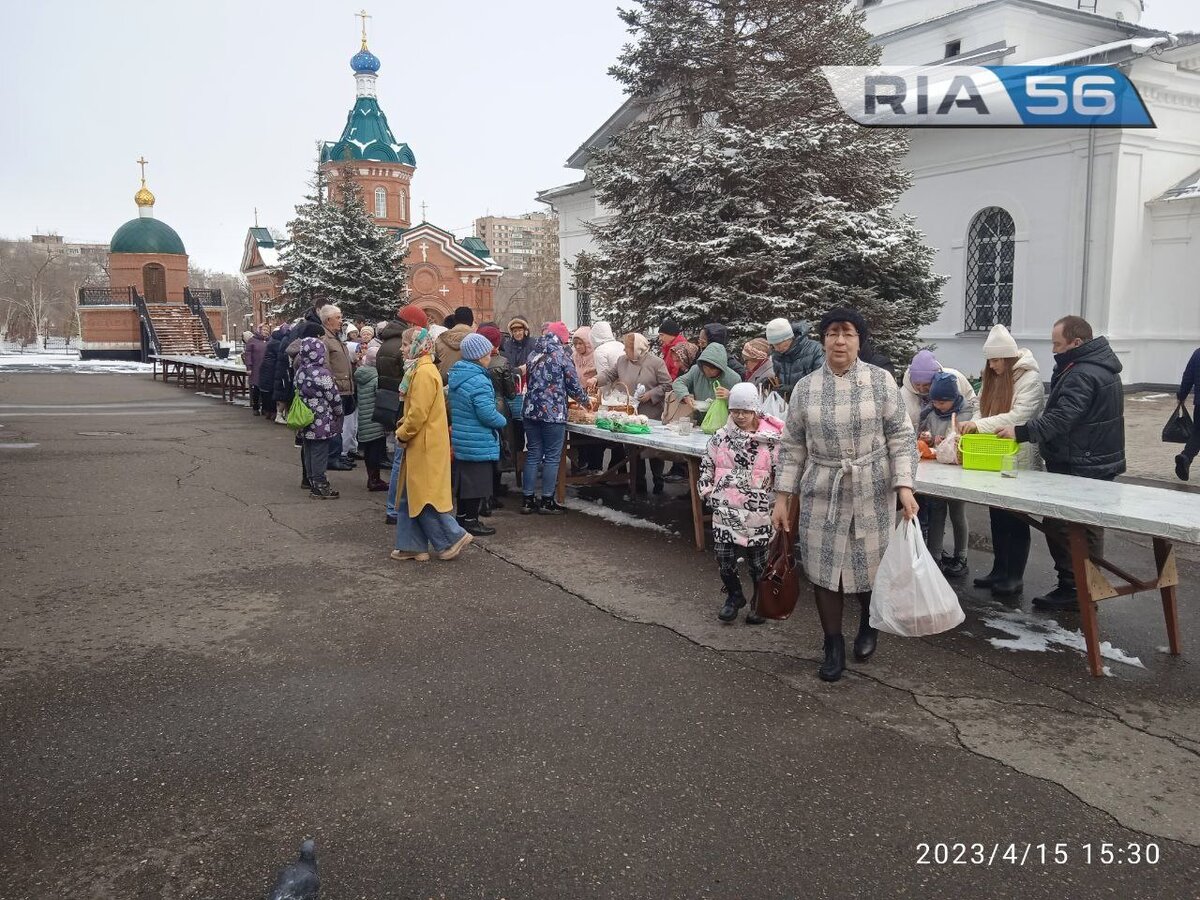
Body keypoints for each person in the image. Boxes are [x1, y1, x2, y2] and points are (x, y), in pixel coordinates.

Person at [772, 307, 919, 683]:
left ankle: (869, 626)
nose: (840, 340)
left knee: (869, 567)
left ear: (859, 340)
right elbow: (791, 445)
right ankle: (832, 643)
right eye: (833, 333)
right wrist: (782, 498)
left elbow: (901, 436)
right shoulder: (806, 388)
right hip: (823, 488)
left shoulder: (881, 381)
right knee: (825, 571)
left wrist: (904, 487)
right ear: (823, 340)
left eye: (848, 333)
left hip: (872, 487)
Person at [996, 316, 1125, 611]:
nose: (1053, 350)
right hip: (1089, 458)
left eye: (1057, 343)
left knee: (1073, 526)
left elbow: (1064, 416)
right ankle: (1080, 586)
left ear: (1076, 342)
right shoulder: (1091, 366)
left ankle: (1078, 589)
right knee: (1077, 524)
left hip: (1083, 461)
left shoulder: (1082, 372)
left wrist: (1022, 432)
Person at [958, 324, 1046, 597]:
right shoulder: (993, 376)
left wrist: (978, 426)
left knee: (1016, 517)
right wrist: (972, 423)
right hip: (994, 454)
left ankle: (1014, 576)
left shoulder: (1029, 379)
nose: (993, 366)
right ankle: (999, 569)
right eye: (990, 361)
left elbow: (1019, 416)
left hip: (1019, 457)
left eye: (996, 360)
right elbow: (980, 408)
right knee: (997, 514)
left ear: (1007, 358)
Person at [698, 383, 785, 625]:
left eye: (746, 411)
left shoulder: (772, 442)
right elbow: (707, 465)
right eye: (735, 410)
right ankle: (734, 595)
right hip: (725, 509)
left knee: (759, 563)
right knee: (724, 559)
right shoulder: (720, 438)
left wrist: (776, 502)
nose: (740, 416)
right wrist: (707, 492)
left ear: (755, 410)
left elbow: (783, 475)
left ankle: (759, 601)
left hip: (759, 512)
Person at [391, 327, 473, 562]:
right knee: (411, 494)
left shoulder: (424, 372)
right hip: (422, 443)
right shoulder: (420, 369)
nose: (402, 349)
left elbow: (419, 413)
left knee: (423, 497)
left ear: (418, 346)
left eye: (406, 345)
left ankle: (451, 537)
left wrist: (404, 432)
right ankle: (411, 545)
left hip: (424, 445)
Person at [521, 322, 590, 515]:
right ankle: (547, 500)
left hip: (530, 410)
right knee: (552, 457)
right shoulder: (562, 356)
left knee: (533, 453)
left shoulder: (533, 354)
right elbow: (574, 386)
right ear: (562, 338)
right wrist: (585, 401)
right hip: (553, 413)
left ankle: (527, 500)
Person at [593, 332, 673, 492]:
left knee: (653, 451)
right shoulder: (622, 360)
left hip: (651, 412)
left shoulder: (656, 363)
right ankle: (638, 483)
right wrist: (596, 379)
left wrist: (651, 394)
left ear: (638, 349)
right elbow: (610, 374)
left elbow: (668, 385)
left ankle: (658, 481)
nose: (624, 350)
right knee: (633, 450)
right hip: (629, 411)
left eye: (628, 347)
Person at [449, 333, 509, 536]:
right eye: (487, 353)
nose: (490, 356)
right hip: (478, 439)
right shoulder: (479, 380)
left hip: (462, 437)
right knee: (477, 484)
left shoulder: (459, 374)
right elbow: (486, 414)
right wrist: (502, 421)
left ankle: (461, 518)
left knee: (465, 483)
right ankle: (472, 521)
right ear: (479, 355)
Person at [919, 372, 976, 578]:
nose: (938, 406)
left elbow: (965, 438)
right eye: (935, 401)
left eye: (943, 402)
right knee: (936, 511)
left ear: (953, 399)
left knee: (957, 512)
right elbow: (926, 436)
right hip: (937, 470)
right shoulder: (931, 414)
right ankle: (934, 556)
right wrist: (928, 437)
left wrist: (953, 439)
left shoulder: (965, 414)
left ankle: (961, 556)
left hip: (958, 471)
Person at [294, 338, 344, 500]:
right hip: (321, 417)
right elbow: (333, 396)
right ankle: (320, 485)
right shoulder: (322, 373)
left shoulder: (300, 370)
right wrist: (338, 412)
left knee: (308, 448)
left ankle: (311, 481)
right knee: (320, 451)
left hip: (305, 415)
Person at [478, 324, 517, 507]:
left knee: (485, 449)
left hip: (479, 408)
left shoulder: (472, 361)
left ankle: (484, 495)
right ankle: (493, 492)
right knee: (501, 446)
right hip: (499, 407)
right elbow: (511, 393)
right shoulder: (502, 362)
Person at [316, 304, 356, 471]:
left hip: (345, 387)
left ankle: (338, 455)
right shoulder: (325, 340)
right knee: (334, 425)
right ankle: (333, 457)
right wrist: (331, 387)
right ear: (328, 320)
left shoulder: (336, 338)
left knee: (339, 425)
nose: (341, 321)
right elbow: (325, 366)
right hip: (336, 389)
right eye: (338, 317)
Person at [901, 349, 976, 430]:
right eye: (917, 384)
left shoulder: (955, 378)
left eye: (926, 384)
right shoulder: (903, 395)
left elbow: (974, 403)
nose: (921, 389)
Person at [354, 344, 389, 492]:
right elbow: (381, 398)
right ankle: (374, 479)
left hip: (364, 418)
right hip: (375, 420)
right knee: (376, 450)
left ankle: (372, 477)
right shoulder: (376, 378)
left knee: (368, 450)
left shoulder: (361, 374)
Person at [671, 343, 742, 410]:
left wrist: (730, 396)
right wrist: (685, 396)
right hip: (698, 415)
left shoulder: (734, 379)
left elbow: (741, 403)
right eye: (705, 367)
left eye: (712, 369)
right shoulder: (696, 370)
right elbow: (679, 382)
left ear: (720, 367)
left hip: (721, 418)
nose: (708, 371)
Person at [766, 318, 824, 399]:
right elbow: (779, 378)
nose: (776, 348)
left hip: (810, 406)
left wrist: (793, 390)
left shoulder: (815, 350)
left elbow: (821, 383)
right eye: (773, 345)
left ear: (789, 338)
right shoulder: (777, 355)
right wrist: (771, 383)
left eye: (779, 344)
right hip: (785, 407)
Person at [1173, 346, 1200, 481]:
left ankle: (1186, 457)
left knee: (1197, 434)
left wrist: (1182, 395)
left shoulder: (1198, 353)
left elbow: (1188, 376)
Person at [257, 323, 288, 424]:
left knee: (267, 392)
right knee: (271, 392)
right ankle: (273, 412)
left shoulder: (271, 341)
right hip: (271, 369)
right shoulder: (278, 344)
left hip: (266, 369)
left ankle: (268, 412)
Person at [435, 306, 475, 378]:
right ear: (472, 321)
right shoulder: (477, 341)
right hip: (468, 385)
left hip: (443, 385)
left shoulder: (440, 339)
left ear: (455, 320)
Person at [243, 326, 268, 416]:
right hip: (255, 368)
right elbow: (248, 355)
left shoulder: (268, 340)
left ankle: (265, 408)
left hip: (266, 368)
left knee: (265, 389)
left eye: (267, 330)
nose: (266, 332)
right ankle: (255, 407)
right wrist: (249, 367)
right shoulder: (252, 341)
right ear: (259, 331)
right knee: (256, 388)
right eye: (264, 330)